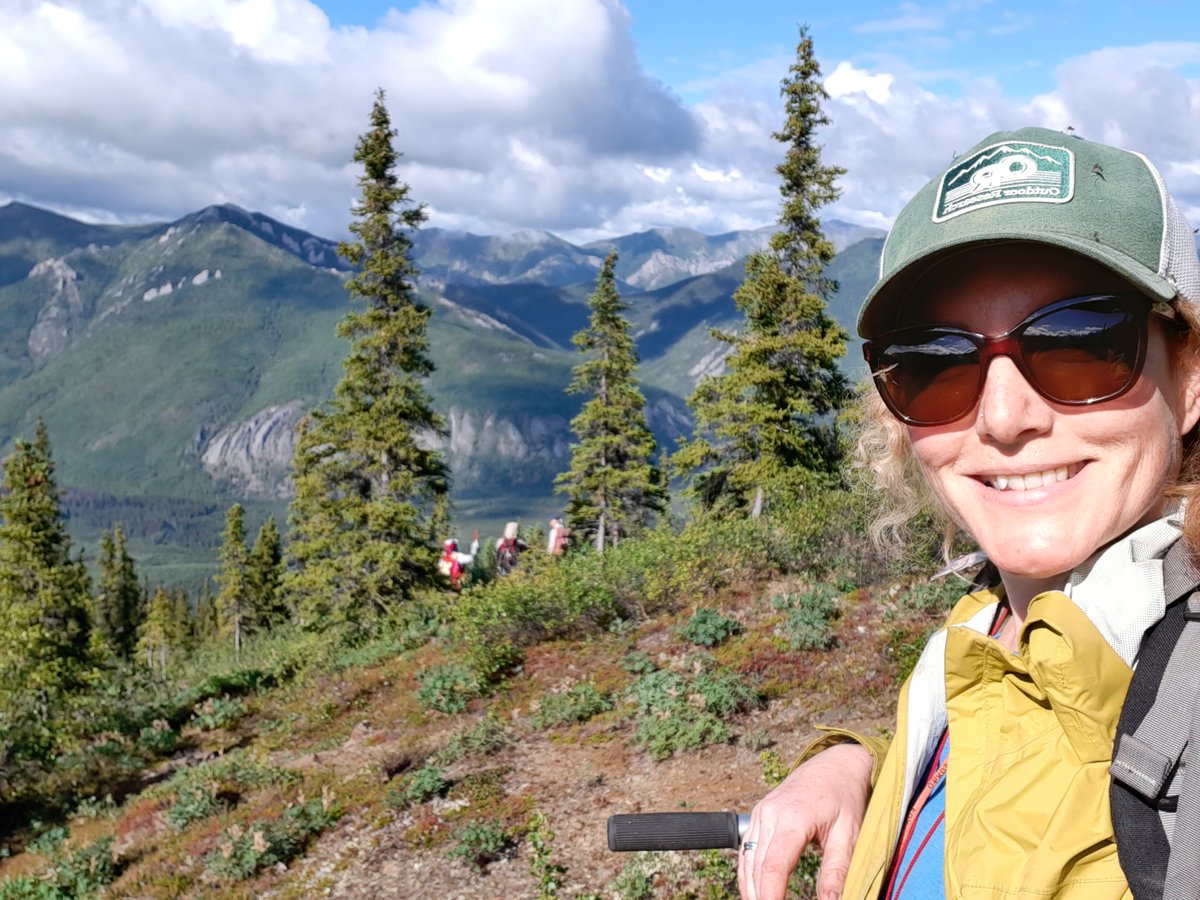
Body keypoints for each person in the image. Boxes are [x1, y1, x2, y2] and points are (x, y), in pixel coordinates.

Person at [738, 125, 1200, 900]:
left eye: (1080, 341)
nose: (1004, 416)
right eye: (937, 363)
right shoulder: (977, 632)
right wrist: (864, 767)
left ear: (1188, 379)